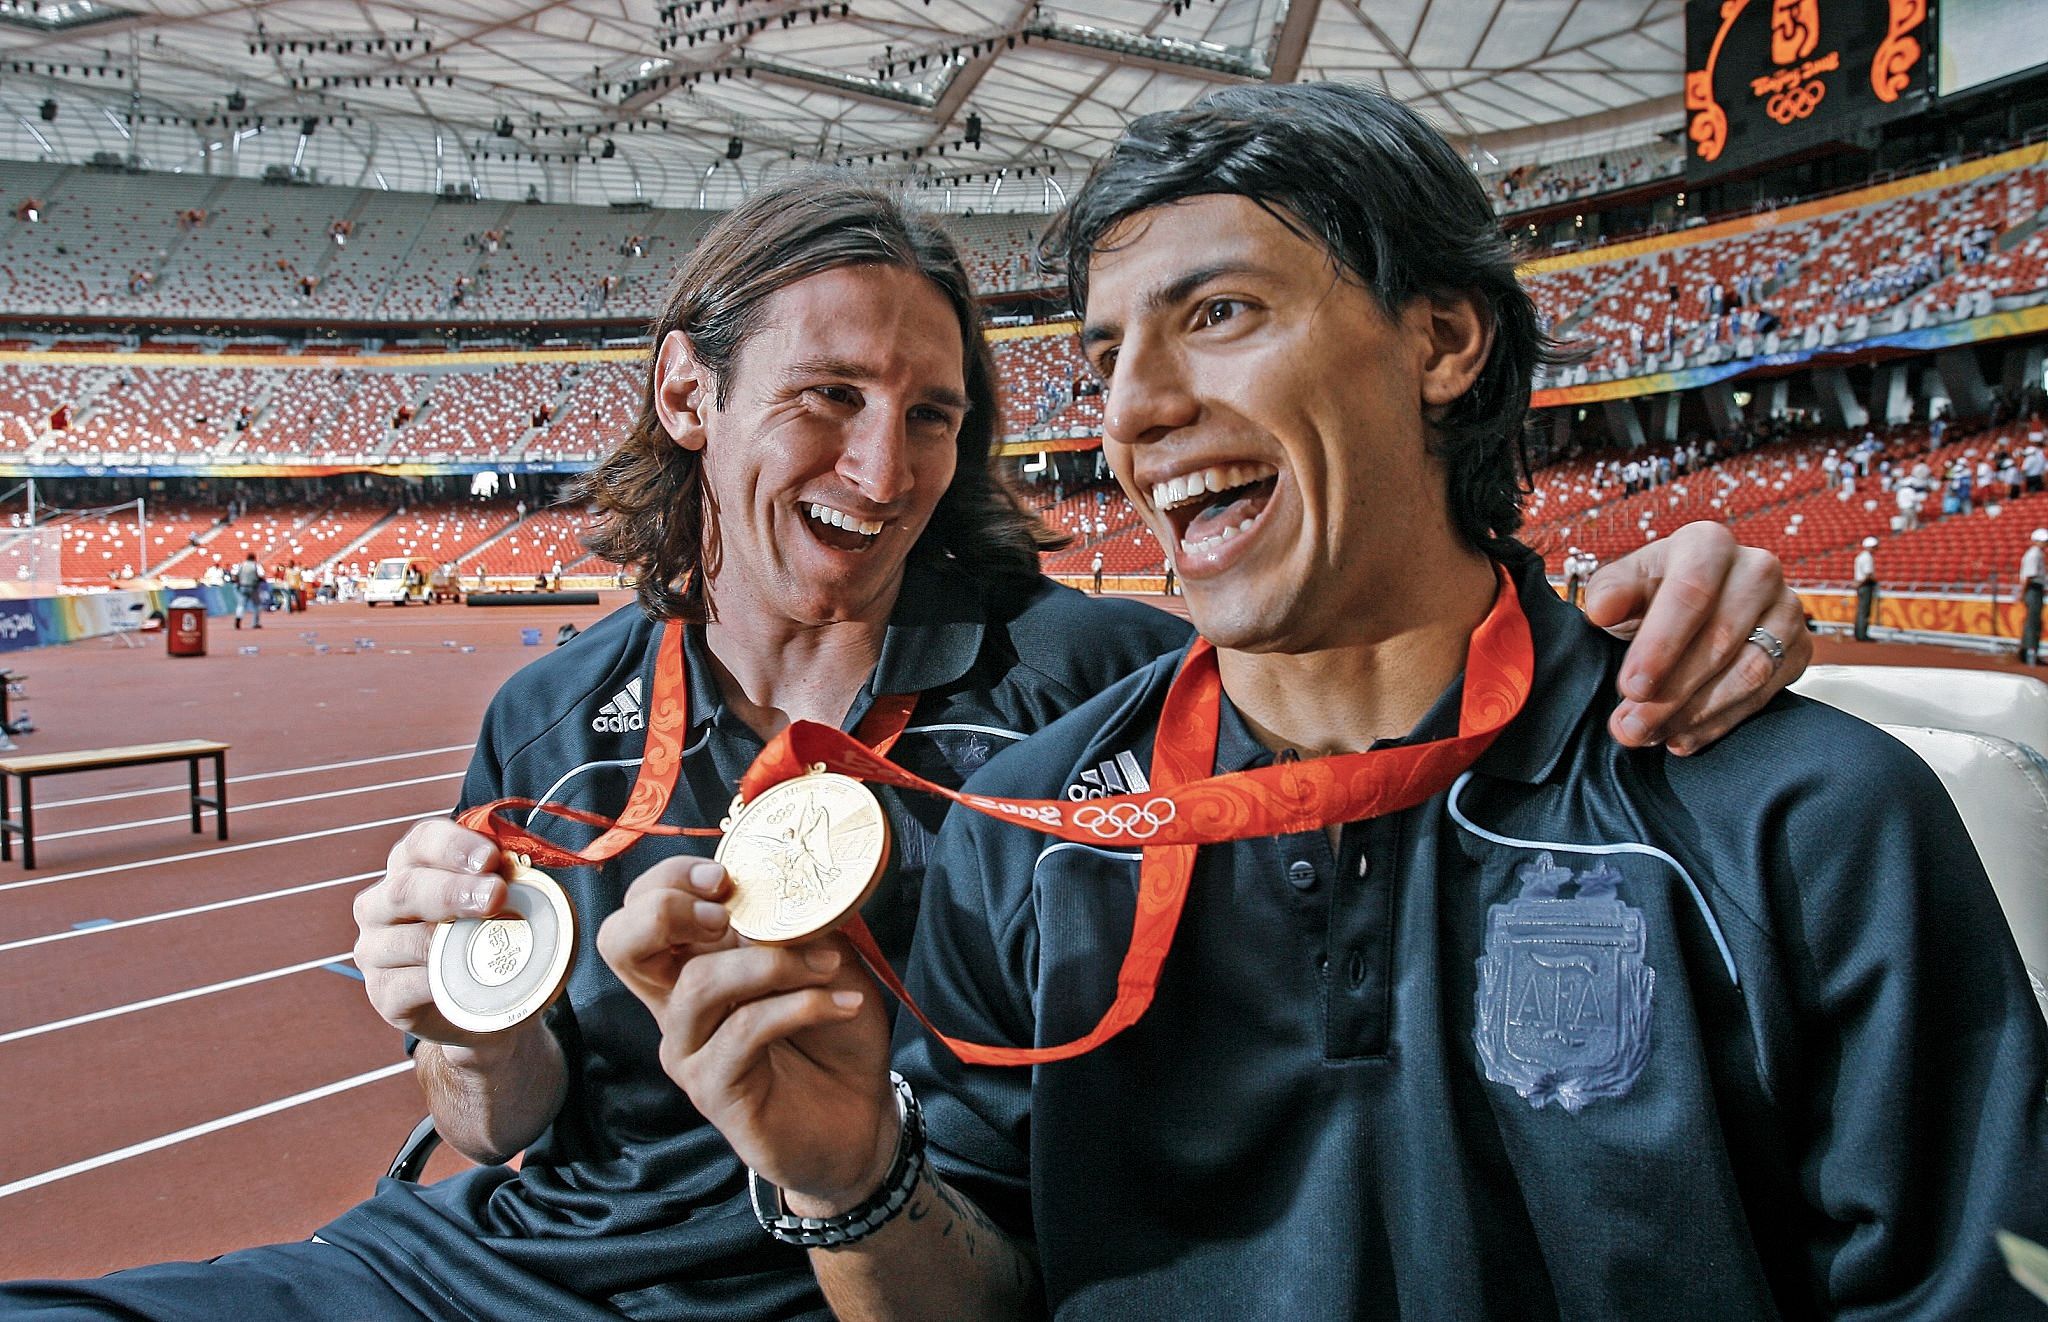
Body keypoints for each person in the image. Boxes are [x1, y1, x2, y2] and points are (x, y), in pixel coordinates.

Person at [1, 175, 1805, 1320]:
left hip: (859, 1277)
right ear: (687, 394)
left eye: (932, 414)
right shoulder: (553, 712)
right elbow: (508, 1120)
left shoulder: (1082, 681)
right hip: (508, 1270)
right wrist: (456, 1020)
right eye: (830, 401)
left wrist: (1645, 608)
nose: (884, 470)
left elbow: (1369, 693)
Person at [630, 85, 2046, 1320]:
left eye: (1220, 314)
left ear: (1442, 341)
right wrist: (851, 1183)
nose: (1135, 408)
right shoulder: (1032, 840)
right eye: (1110, 353)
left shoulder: (1802, 819)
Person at [2021, 527, 2046, 665]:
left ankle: (2028, 652)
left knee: (2033, 622)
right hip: (2033, 590)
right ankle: (2030, 654)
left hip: (2035, 589)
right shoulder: (2034, 555)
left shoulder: (2037, 554)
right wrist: (2023, 593)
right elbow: (2029, 577)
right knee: (2033, 622)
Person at [1854, 535, 1879, 641]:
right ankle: (1862, 634)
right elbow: (1868, 574)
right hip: (1865, 585)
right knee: (1864, 611)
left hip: (1861, 585)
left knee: (1861, 610)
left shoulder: (1860, 556)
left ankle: (1859, 633)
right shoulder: (1867, 557)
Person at [231, 552, 263, 630]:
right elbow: (260, 576)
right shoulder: (255, 566)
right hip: (253, 587)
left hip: (243, 587)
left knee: (241, 605)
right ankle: (255, 623)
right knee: (257, 605)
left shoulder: (242, 565)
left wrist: (238, 584)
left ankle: (238, 617)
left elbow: (236, 576)